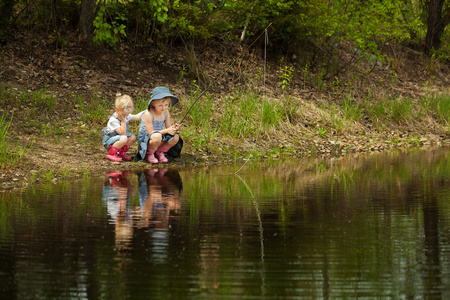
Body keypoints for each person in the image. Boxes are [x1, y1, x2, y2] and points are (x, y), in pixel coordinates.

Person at [137, 86, 181, 163]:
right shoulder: (148, 114)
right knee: (157, 136)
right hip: (148, 140)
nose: (163, 108)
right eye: (160, 105)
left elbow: (168, 127)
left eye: (166, 105)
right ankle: (149, 153)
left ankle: (160, 152)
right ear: (153, 104)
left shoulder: (166, 112)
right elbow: (151, 133)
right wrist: (167, 130)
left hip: (160, 137)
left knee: (176, 136)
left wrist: (173, 128)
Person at [102, 94, 144, 162]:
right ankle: (111, 154)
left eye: (128, 114)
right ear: (116, 109)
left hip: (119, 139)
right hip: (110, 142)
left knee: (132, 137)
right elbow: (122, 132)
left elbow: (137, 117)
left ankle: (121, 152)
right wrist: (123, 121)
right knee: (124, 137)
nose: (126, 116)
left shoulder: (125, 115)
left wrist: (147, 111)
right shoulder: (113, 120)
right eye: (124, 114)